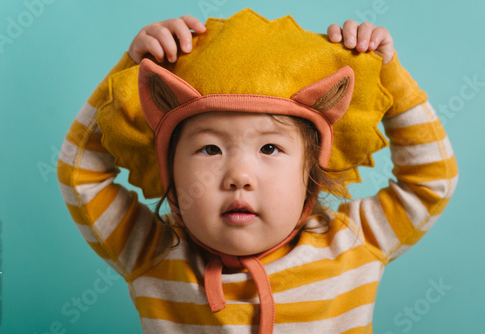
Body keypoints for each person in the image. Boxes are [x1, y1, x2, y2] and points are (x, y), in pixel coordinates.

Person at [57, 10, 458, 334]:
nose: (239, 176)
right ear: (169, 173)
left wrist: (386, 73)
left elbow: (431, 180)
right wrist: (129, 71)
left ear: (312, 173)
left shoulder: (354, 242)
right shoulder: (151, 252)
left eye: (270, 147)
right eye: (209, 148)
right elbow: (81, 175)